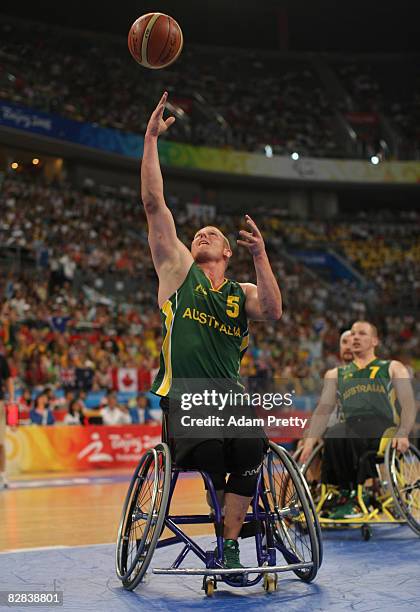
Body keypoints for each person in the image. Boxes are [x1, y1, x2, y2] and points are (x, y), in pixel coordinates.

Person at [141, 92, 282, 570]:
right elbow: (153, 202)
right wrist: (151, 141)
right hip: (185, 395)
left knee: (249, 446)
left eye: (212, 235)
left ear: (228, 253)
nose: (201, 233)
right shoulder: (179, 270)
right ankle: (230, 537)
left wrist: (262, 256)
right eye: (197, 232)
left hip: (230, 396)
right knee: (213, 454)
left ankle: (229, 544)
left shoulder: (241, 290)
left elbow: (275, 309)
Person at [300, 320, 416, 519]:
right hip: (350, 425)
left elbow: (408, 403)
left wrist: (404, 431)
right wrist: (310, 440)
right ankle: (343, 495)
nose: (355, 338)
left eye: (362, 334)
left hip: (382, 425)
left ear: (374, 341)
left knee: (351, 433)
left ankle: (359, 494)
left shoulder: (391, 367)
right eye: (352, 334)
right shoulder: (336, 374)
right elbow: (323, 409)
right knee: (334, 434)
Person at [0, 350, 14, 490]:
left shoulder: (1, 359)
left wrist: (11, 399)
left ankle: (3, 475)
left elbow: (9, 379)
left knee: (0, 443)